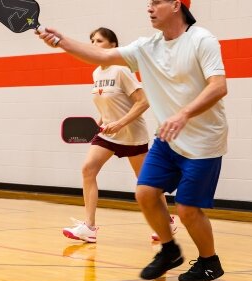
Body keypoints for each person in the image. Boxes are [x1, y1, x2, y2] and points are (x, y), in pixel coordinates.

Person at [38, 0, 228, 281]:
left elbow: (219, 86)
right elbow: (100, 57)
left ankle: (209, 261)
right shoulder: (146, 47)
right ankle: (169, 250)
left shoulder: (202, 40)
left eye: (156, 2)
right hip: (168, 138)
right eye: (148, 3)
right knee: (145, 193)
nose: (149, 8)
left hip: (203, 141)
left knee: (188, 209)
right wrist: (61, 41)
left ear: (176, 5)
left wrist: (183, 114)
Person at [62, 27, 176, 243]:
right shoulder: (96, 72)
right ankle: (89, 227)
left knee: (146, 184)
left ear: (113, 45)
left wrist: (121, 122)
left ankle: (167, 222)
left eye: (99, 40)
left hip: (131, 134)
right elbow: (108, 102)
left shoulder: (121, 70)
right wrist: (101, 119)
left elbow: (143, 101)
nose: (94, 44)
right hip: (107, 133)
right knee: (88, 169)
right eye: (92, 40)